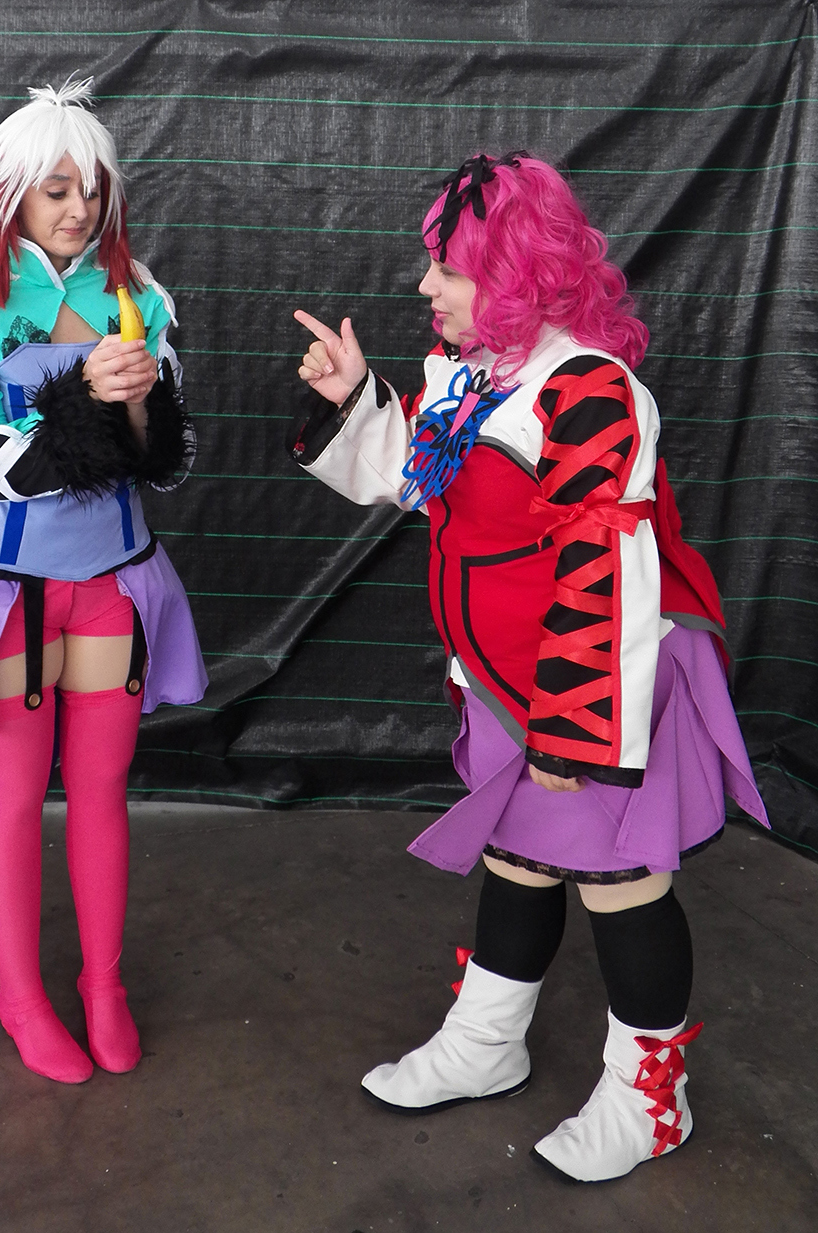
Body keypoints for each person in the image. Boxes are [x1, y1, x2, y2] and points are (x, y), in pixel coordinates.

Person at [289, 151, 768, 1182]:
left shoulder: (589, 390)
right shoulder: (470, 369)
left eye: (449, 268)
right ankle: (486, 1043)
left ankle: (651, 1099)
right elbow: (421, 480)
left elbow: (606, 568)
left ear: (513, 271)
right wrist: (356, 398)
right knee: (517, 856)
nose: (426, 285)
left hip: (596, 684)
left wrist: (573, 727)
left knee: (621, 882)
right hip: (507, 682)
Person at [0, 77, 207, 1084]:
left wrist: (138, 409)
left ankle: (104, 986)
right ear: (10, 194)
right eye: (56, 190)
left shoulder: (140, 296)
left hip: (113, 581)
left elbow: (167, 465)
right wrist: (85, 395)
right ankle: (21, 998)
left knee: (101, 791)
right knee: (12, 796)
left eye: (91, 190)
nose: (77, 210)